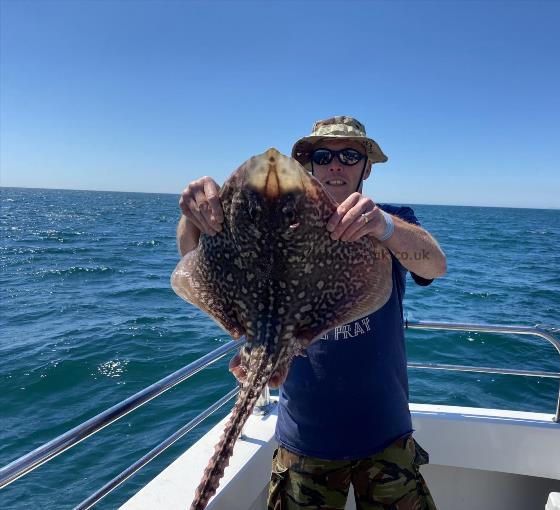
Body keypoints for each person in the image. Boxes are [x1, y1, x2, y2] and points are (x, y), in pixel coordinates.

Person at [176, 116, 447, 509]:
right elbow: (192, 255)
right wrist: (194, 214)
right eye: (324, 156)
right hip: (305, 441)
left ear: (366, 167)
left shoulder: (389, 219)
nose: (336, 165)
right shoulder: (275, 229)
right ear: (310, 166)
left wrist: (385, 226)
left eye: (350, 155)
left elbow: (434, 265)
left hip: (386, 435)